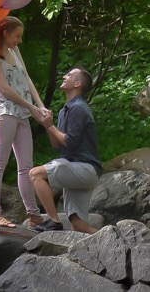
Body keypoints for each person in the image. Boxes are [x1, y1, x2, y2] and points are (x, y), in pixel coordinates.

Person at [0, 16, 49, 228]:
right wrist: (32, 108)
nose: (19, 41)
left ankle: (34, 214)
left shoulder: (15, 51)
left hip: (22, 114)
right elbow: (4, 89)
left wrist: (39, 105)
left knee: (26, 167)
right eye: (17, 36)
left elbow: (26, 79)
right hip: (5, 113)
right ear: (5, 33)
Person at [29, 66, 101, 233]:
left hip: (84, 168)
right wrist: (48, 125)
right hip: (80, 170)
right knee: (78, 225)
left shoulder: (79, 108)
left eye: (69, 75)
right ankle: (113, 241)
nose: (64, 76)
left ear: (77, 84)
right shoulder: (65, 110)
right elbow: (57, 145)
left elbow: (70, 142)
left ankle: (53, 221)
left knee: (36, 174)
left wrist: (50, 125)